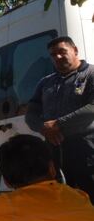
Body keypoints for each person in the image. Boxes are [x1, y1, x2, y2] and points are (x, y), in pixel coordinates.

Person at [25, 36, 94, 203]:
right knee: (61, 200)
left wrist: (58, 124)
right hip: (54, 151)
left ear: (75, 50)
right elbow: (31, 114)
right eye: (53, 54)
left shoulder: (90, 74)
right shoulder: (45, 83)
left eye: (62, 52)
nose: (57, 57)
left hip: (87, 149)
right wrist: (43, 128)